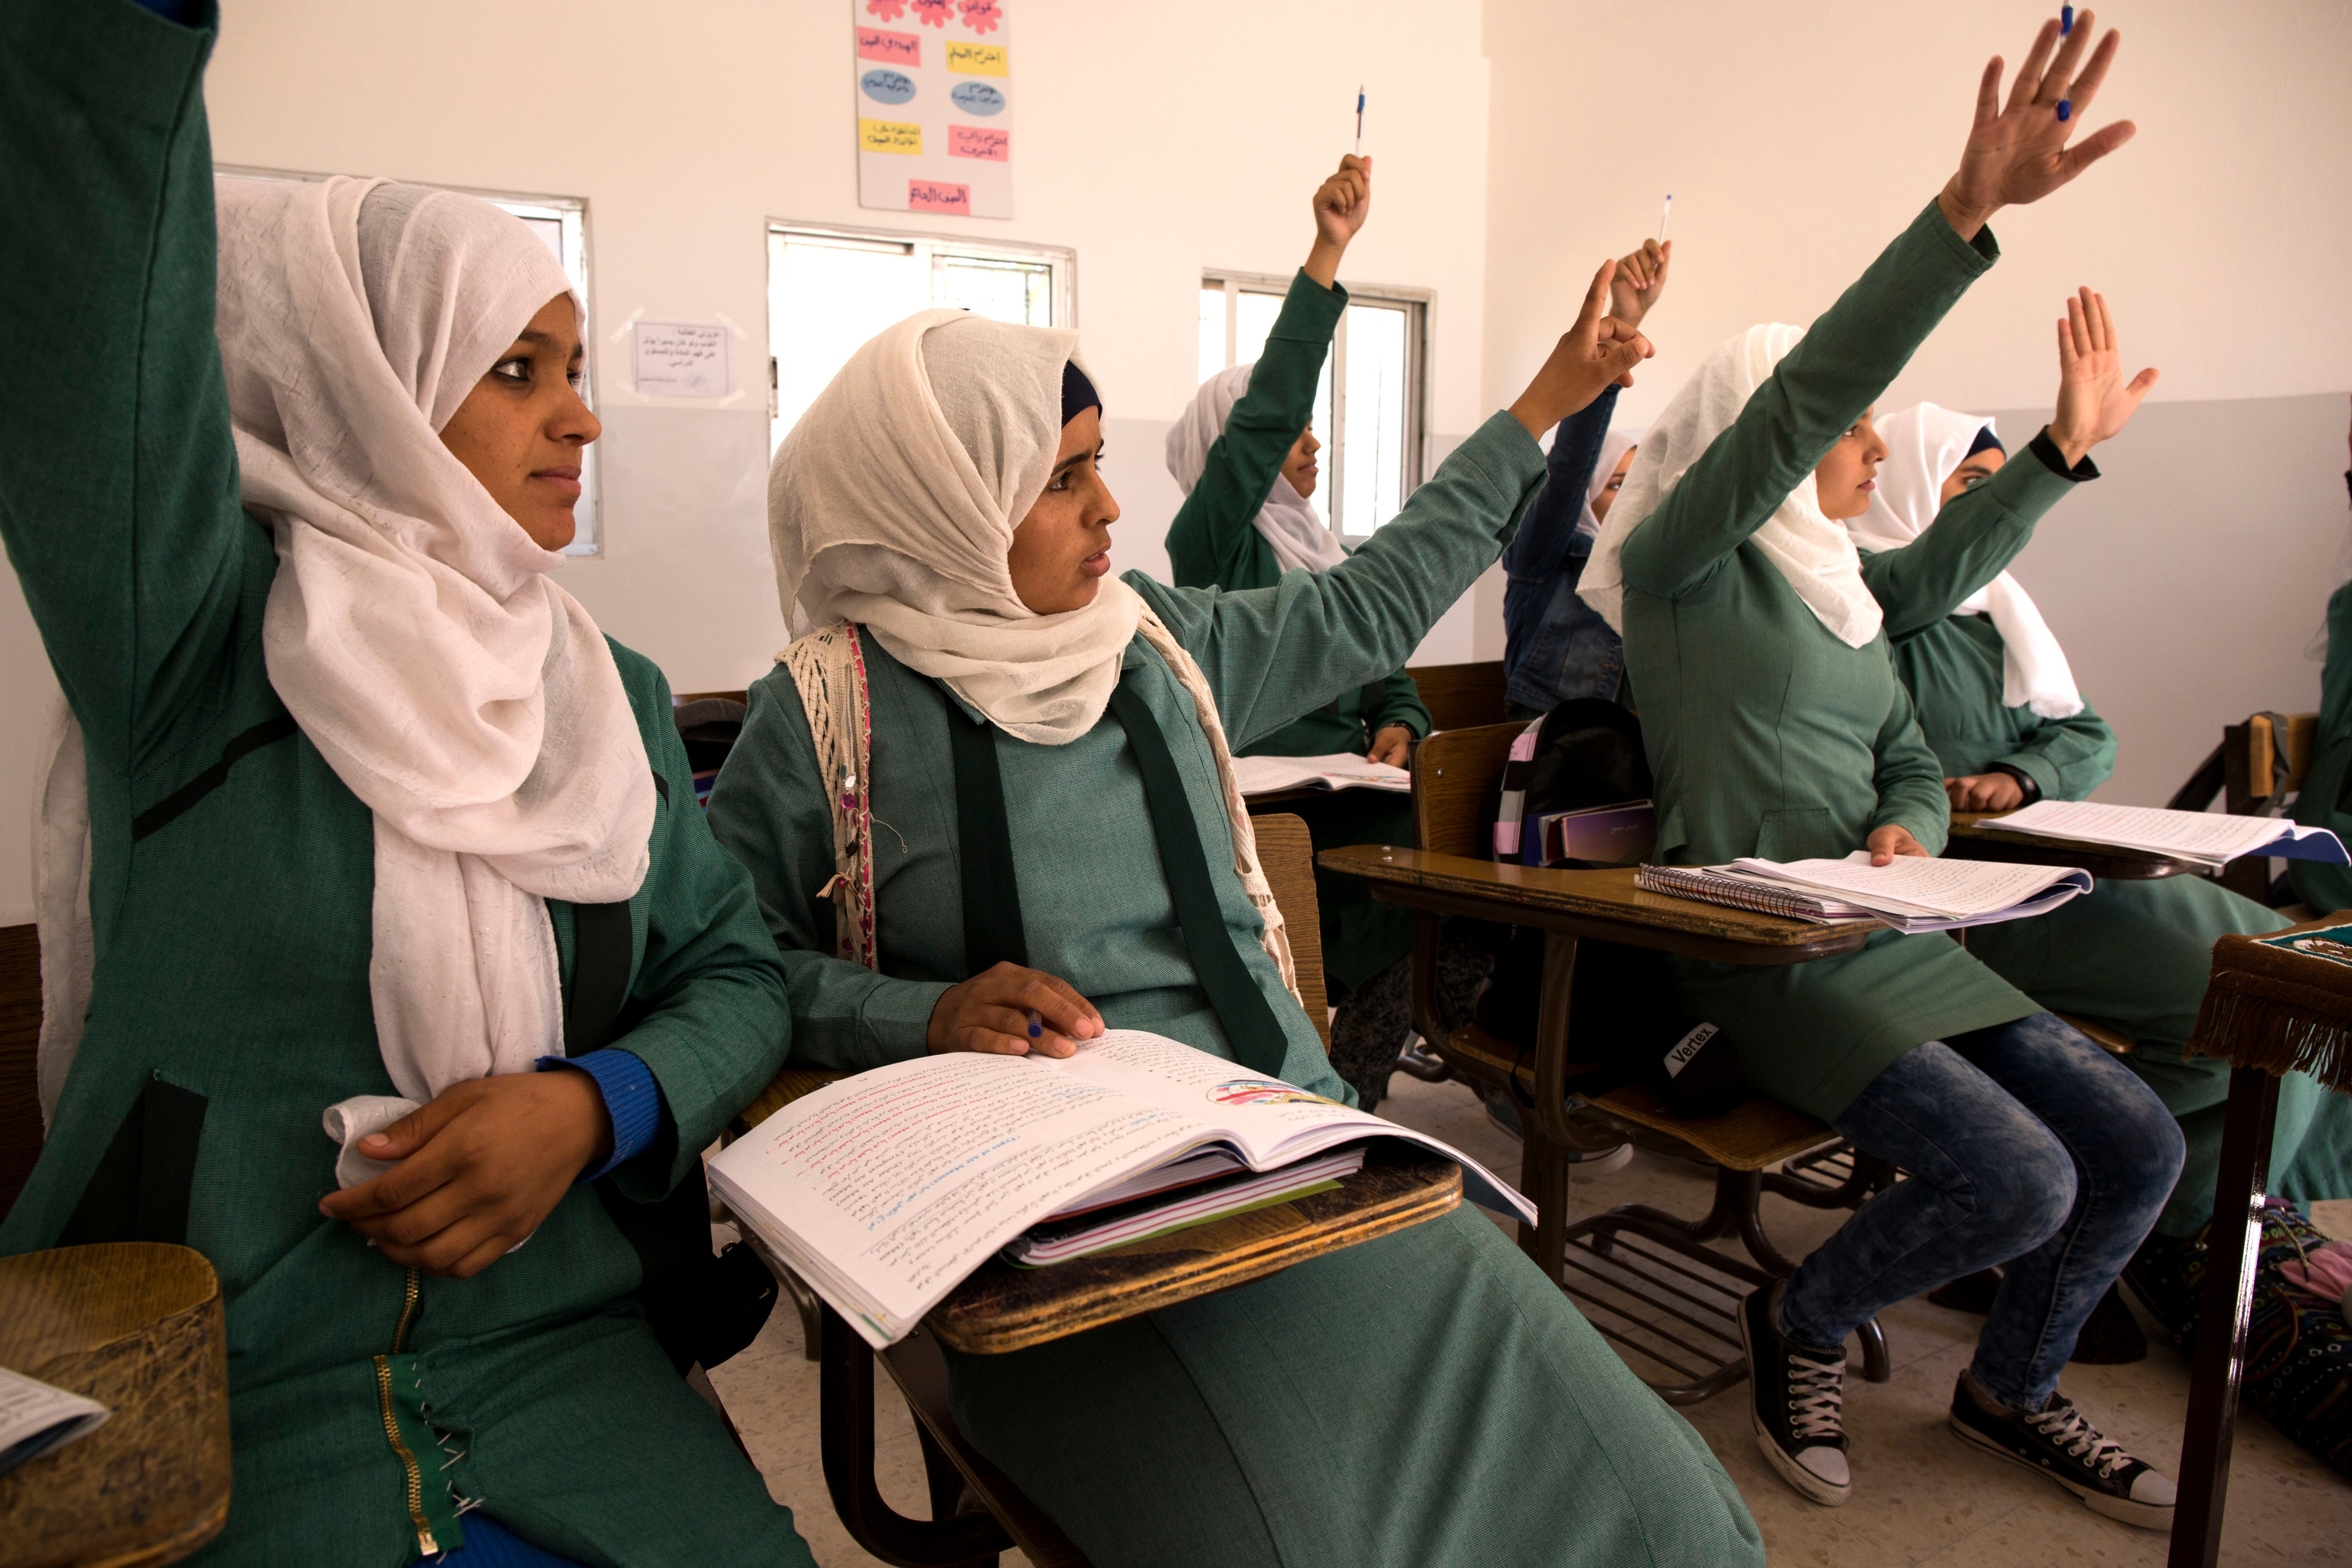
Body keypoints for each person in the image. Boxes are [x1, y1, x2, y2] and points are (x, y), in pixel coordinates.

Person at [707, 260, 1771, 1564]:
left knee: (1667, 1513)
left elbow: (1369, 599)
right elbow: (729, 973)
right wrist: (917, 1008)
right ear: (943, 500)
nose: (1109, 509)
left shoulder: (1143, 636)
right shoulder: (825, 713)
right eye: (1059, 478)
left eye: (1097, 463)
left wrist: (1552, 396)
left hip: (1301, 1158)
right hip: (1051, 1254)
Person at [0, 3, 812, 1563]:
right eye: (517, 369)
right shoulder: (191, 638)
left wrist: (597, 1105)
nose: (582, 412)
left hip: (566, 1364)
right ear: (365, 382)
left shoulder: (609, 695)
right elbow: (88, 320)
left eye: (576, 365)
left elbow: (732, 971)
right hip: (218, 1387)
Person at [1579, 12, 2187, 1527]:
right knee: (2024, 1180)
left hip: (1898, 935)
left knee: (2135, 1140)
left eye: (1863, 429)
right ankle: (1799, 1318)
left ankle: (2012, 1385)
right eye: (1841, 429)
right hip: (1767, 948)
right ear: (1763, 445)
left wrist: (1913, 824)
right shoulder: (1689, 563)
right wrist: (1960, 215)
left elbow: (1912, 753)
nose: (1862, 446)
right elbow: (1792, 402)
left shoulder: (1848, 593)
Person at [1851, 394, 2352, 1470]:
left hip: (2068, 858)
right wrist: (1958, 792)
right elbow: (1889, 769)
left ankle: (2152, 1226)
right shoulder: (1869, 607)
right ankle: (2146, 1229)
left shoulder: (1994, 605)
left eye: (1993, 487)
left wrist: (2023, 772)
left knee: (2290, 999)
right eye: (1968, 485)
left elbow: (2087, 731)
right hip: (1982, 895)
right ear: (1908, 486)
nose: (1985, 511)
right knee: (2244, 1004)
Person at [1161, 155, 1439, 1109]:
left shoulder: (1321, 547)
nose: (1310, 442)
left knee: (1441, 889)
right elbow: (1260, 420)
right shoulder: (1211, 538)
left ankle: (1361, 1095)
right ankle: (1327, 1101)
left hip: (1357, 802)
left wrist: (1401, 715)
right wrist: (1327, 253)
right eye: (1290, 432)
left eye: (1315, 430)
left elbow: (1381, 659)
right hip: (1274, 821)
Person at [1501, 237, 1670, 719]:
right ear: (1586, 498)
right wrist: (1625, 327)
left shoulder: (1642, 567)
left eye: (1635, 485)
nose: (1631, 500)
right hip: (1558, 767)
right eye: (1616, 485)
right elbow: (1572, 461)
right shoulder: (1543, 555)